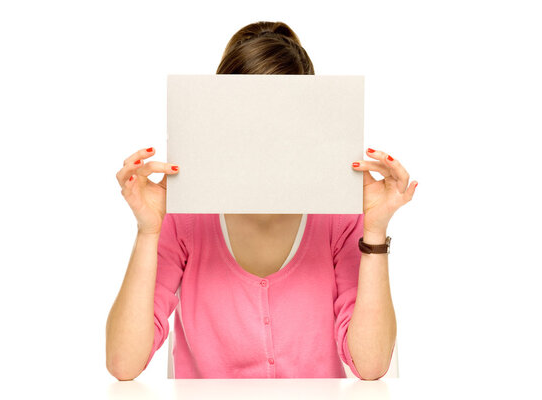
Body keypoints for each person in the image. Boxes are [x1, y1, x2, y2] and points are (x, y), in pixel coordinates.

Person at [106, 20, 417, 381]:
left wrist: (375, 230)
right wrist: (148, 231)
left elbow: (371, 365)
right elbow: (123, 365)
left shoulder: (336, 219)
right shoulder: (186, 218)